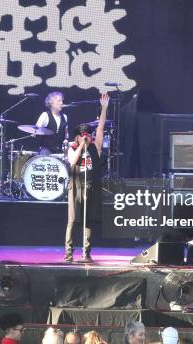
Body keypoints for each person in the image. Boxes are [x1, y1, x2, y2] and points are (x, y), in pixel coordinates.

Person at [64, 93, 109, 263]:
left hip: (90, 187)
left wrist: (104, 109)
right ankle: (69, 253)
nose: (87, 136)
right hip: (75, 188)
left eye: (88, 135)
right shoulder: (72, 148)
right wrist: (81, 144)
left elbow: (101, 127)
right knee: (73, 220)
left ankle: (86, 252)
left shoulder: (95, 147)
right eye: (83, 135)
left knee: (88, 220)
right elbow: (73, 161)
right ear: (77, 136)